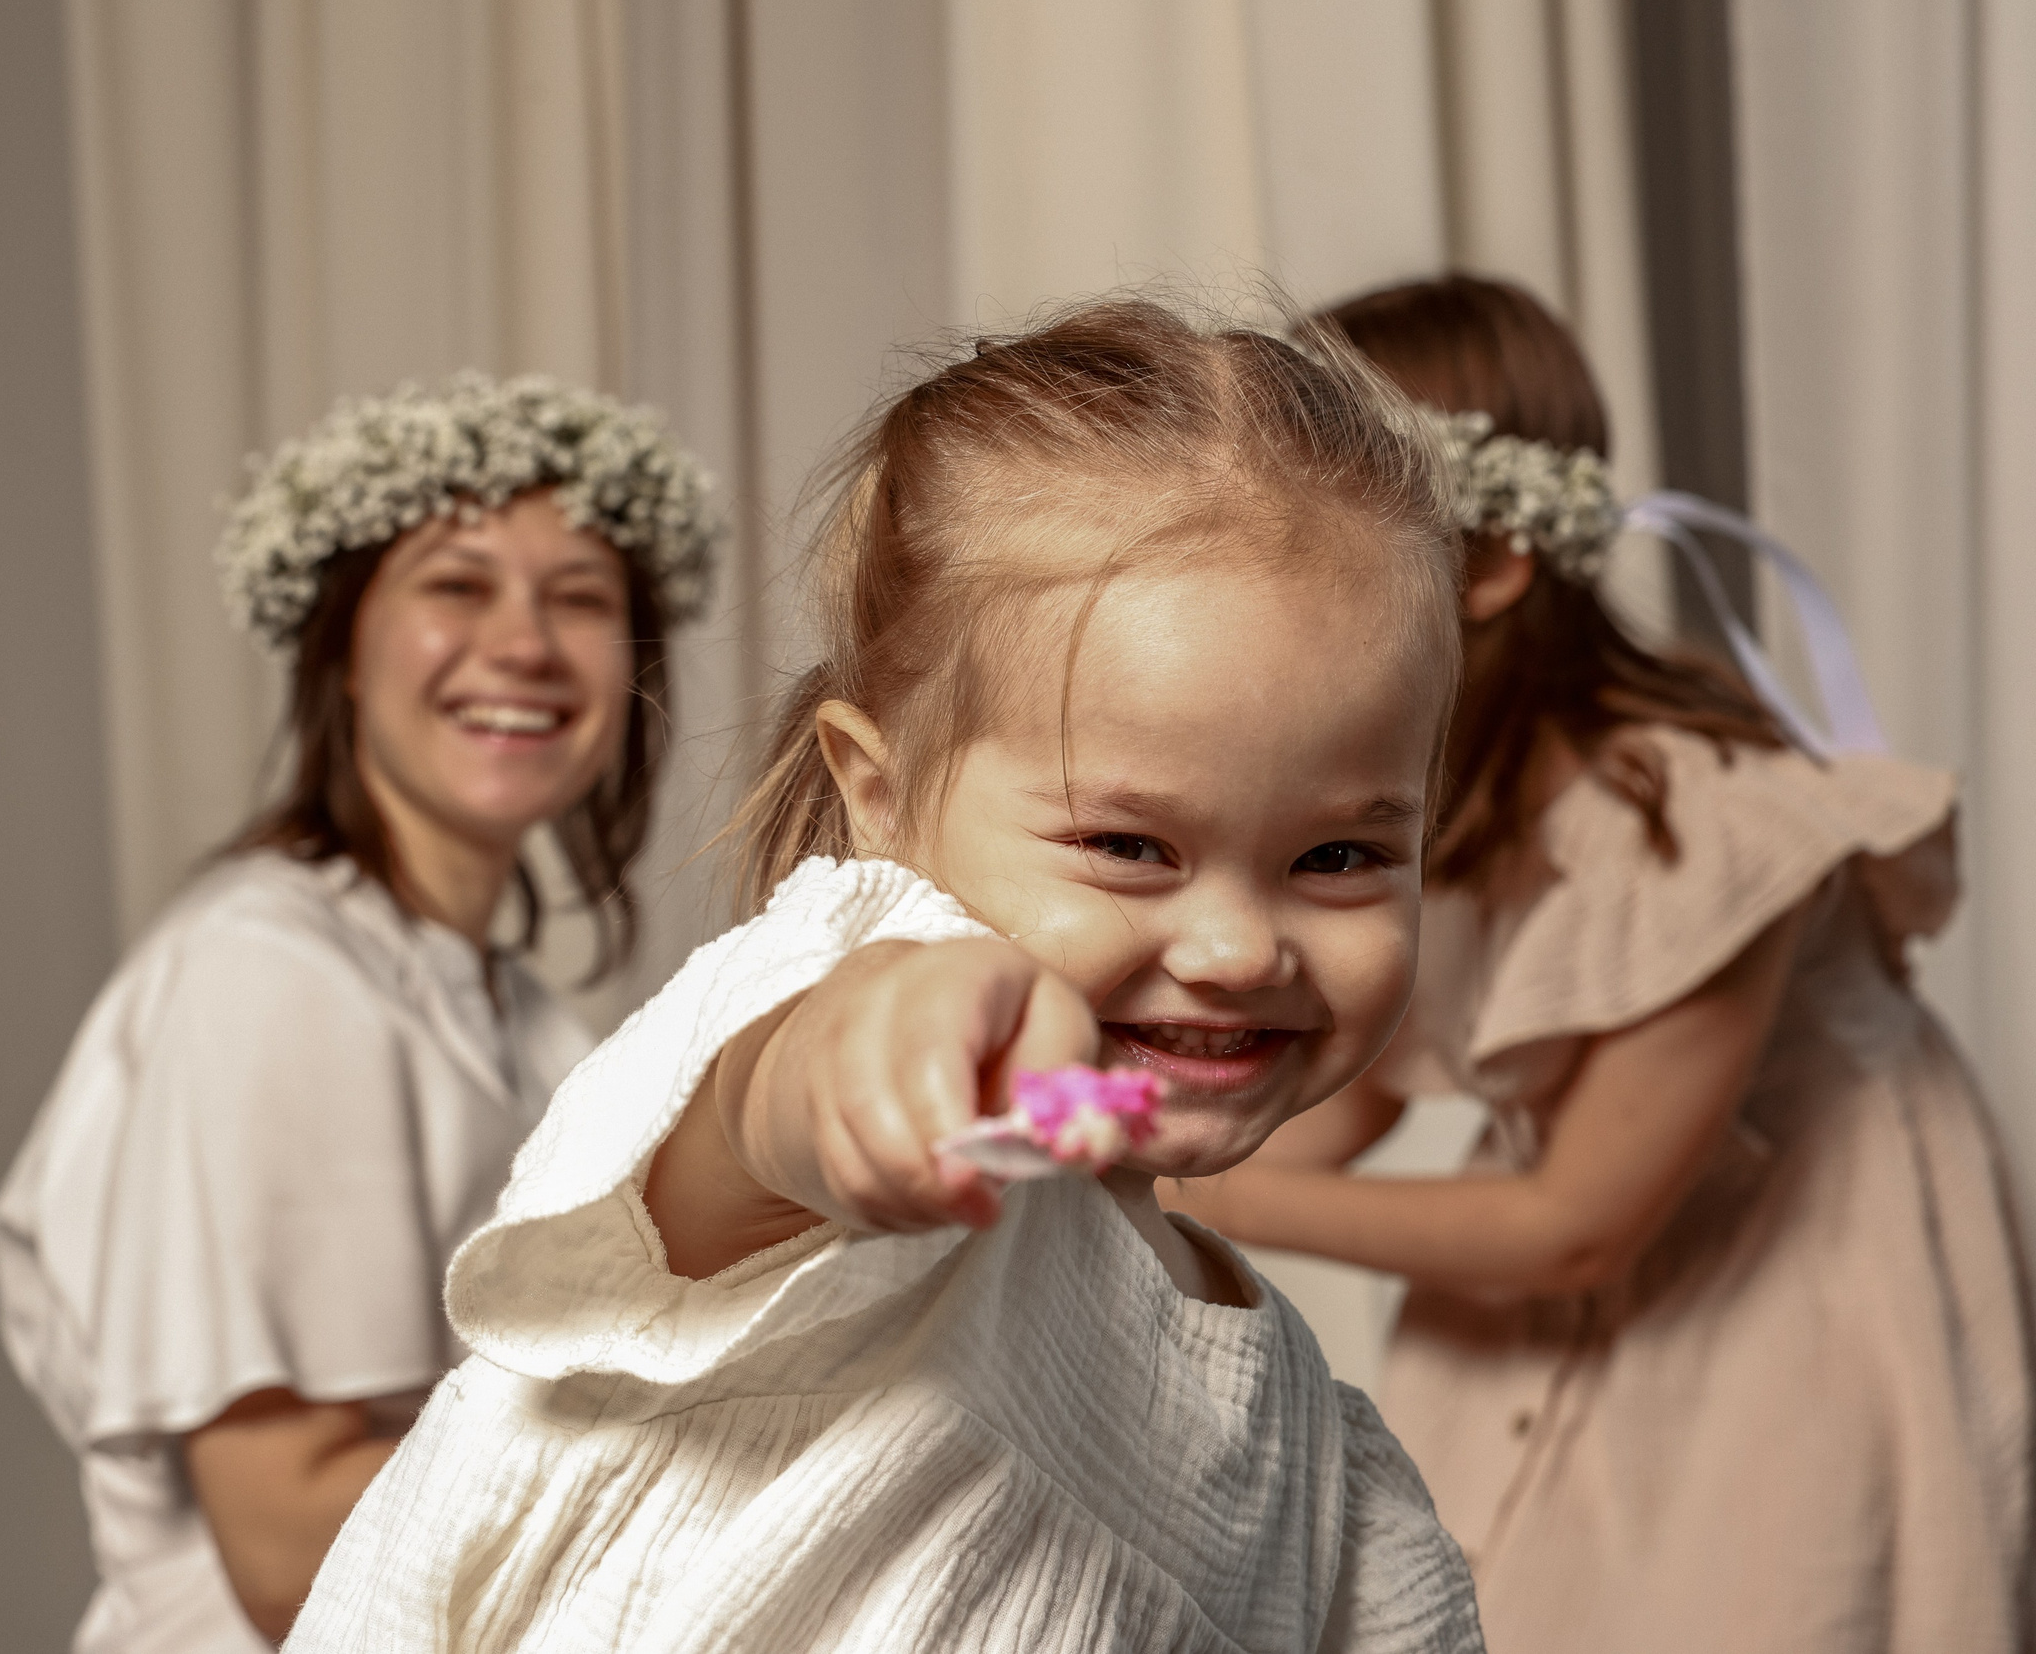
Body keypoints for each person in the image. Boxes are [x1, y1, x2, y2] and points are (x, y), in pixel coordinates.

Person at [283, 299, 1487, 1652]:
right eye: (1129, 845)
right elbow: (739, 1127)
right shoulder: (846, 1029)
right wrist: (861, 1052)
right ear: (881, 795)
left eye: (1336, 855)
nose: (1235, 947)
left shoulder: (1323, 1471)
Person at [1170, 275, 2034, 1652]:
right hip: (1561, 1310)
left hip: (1779, 1314)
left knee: (1760, 1593)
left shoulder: (1691, 818)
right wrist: (1140, 1155)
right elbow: (1357, 1099)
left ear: (1497, 562)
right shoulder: (1437, 810)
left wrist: (1218, 1205)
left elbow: (1578, 1216)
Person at [0, 374, 718, 1652]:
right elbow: (284, 1544)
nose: (527, 643)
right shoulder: (269, 973)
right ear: (342, 645)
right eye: (455, 583)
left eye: (582, 597)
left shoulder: (528, 1020)